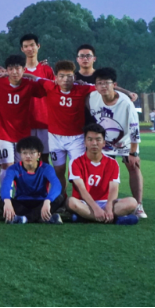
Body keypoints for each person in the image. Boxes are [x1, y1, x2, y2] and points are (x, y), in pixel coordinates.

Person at [31, 61, 96, 202]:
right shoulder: (49, 85)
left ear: (74, 77)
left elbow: (104, 87)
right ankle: (61, 200)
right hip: (55, 138)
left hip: (76, 139)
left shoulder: (82, 88)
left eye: (69, 76)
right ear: (55, 77)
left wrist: (128, 93)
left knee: (77, 172)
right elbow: (33, 77)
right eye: (61, 76)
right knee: (58, 171)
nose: (65, 79)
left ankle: (79, 201)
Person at [87, 67, 146, 219]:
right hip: (105, 143)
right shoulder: (92, 97)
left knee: (133, 167)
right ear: (95, 85)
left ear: (114, 84)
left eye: (107, 83)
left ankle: (138, 205)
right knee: (103, 170)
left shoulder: (126, 103)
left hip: (125, 141)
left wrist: (133, 152)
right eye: (100, 83)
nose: (103, 86)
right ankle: (103, 202)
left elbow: (134, 129)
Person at [0, 55, 47, 190]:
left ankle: (20, 195)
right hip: (4, 133)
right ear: (6, 70)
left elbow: (49, 86)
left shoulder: (29, 84)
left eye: (18, 69)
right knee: (7, 165)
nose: (14, 72)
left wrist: (32, 76)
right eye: (11, 69)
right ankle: (5, 195)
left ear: (23, 69)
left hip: (23, 133)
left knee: (22, 165)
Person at [68, 124, 139, 225]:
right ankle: (114, 219)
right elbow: (81, 189)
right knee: (71, 202)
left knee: (132, 202)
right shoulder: (75, 162)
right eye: (90, 139)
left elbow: (114, 188)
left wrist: (109, 207)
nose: (94, 143)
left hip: (105, 202)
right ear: (85, 142)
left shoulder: (112, 163)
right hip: (85, 202)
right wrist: (96, 208)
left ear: (104, 143)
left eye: (98, 139)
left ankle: (86, 217)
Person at [0, 137, 63, 224]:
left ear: (39, 155)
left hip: (41, 202)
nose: (28, 156)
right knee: (0, 200)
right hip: (21, 202)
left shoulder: (46, 168)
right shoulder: (13, 169)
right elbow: (5, 186)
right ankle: (43, 218)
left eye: (32, 153)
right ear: (20, 154)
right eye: (24, 153)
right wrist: (7, 200)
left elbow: (57, 185)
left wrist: (48, 200)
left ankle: (23, 218)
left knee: (59, 198)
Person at [20, 34, 56, 160]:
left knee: (44, 158)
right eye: (26, 46)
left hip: (44, 120)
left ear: (38, 46)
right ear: (22, 49)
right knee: (27, 158)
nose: (30, 49)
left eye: (32, 45)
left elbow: (55, 90)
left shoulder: (47, 70)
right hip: (25, 122)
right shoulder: (18, 71)